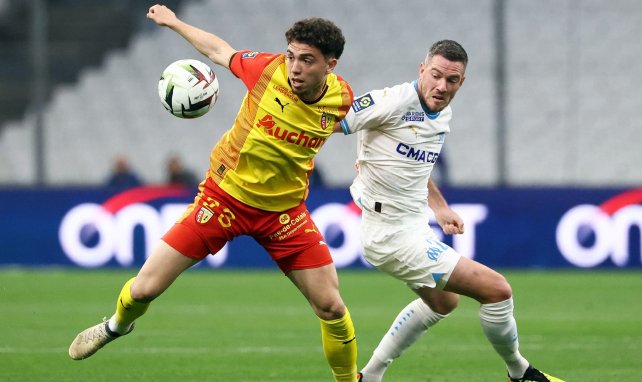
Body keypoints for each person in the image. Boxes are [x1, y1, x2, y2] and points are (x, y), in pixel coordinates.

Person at [68, 5, 358, 381]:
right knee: (144, 289)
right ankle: (116, 327)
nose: (295, 67)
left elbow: (363, 124)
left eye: (307, 60)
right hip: (223, 201)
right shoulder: (267, 71)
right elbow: (220, 51)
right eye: (291, 56)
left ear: (330, 65)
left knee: (332, 307)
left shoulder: (343, 98)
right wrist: (173, 23)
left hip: (283, 214)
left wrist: (366, 161)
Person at [336, 40, 563, 382]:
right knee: (497, 290)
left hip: (412, 225)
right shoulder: (393, 101)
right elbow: (330, 121)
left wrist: (439, 207)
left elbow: (416, 167)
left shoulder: (441, 112)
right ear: (422, 70)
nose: (442, 87)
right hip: (389, 232)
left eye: (452, 80)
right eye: (436, 76)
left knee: (444, 303)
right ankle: (521, 373)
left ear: (462, 82)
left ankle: (370, 376)